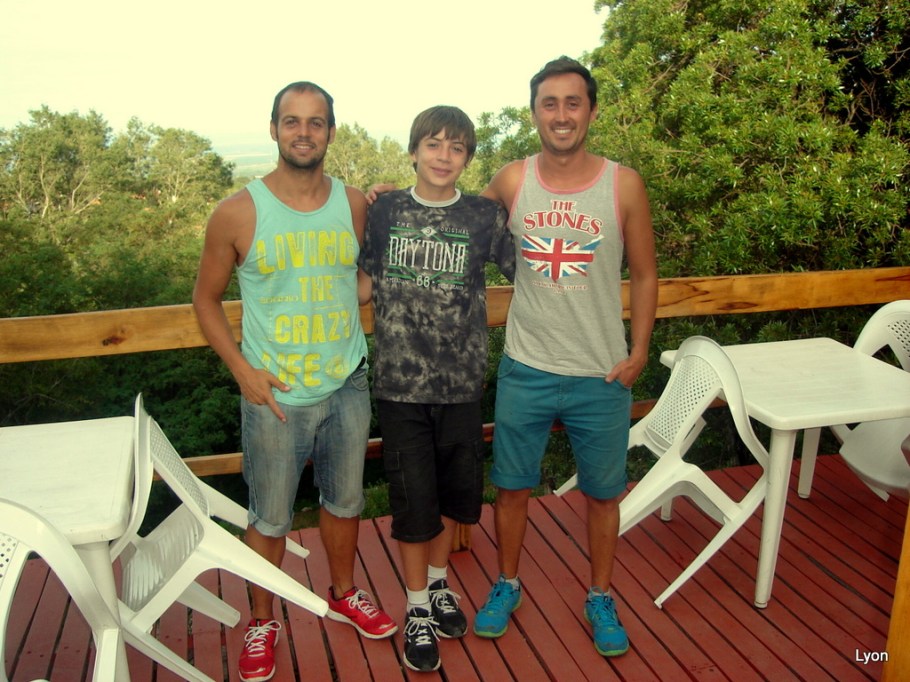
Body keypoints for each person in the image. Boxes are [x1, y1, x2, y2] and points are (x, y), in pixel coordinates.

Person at [192, 81, 396, 682]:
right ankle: (262, 621)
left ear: (331, 131)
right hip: (275, 395)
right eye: (292, 121)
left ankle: (344, 591)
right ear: (274, 128)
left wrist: (393, 215)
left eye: (315, 121)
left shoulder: (354, 203)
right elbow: (205, 300)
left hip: (346, 382)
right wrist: (243, 372)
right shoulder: (237, 212)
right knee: (270, 516)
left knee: (346, 502)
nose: (303, 132)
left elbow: (357, 283)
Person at [473, 57, 658, 658]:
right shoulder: (512, 180)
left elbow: (646, 274)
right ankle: (507, 583)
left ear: (591, 111)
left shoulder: (623, 185)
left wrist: (639, 352)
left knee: (604, 494)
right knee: (511, 487)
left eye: (572, 103)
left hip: (601, 372)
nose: (561, 115)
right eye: (548, 103)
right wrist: (390, 202)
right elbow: (455, 223)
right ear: (534, 114)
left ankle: (600, 595)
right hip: (525, 365)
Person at [361, 105, 515, 672]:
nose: (444, 156)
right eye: (433, 144)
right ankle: (416, 608)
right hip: (399, 386)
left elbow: (530, 271)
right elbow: (358, 279)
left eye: (456, 147)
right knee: (412, 502)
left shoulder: (483, 215)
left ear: (468, 158)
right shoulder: (384, 211)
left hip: (461, 384)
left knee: (454, 498)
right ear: (413, 151)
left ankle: (439, 583)